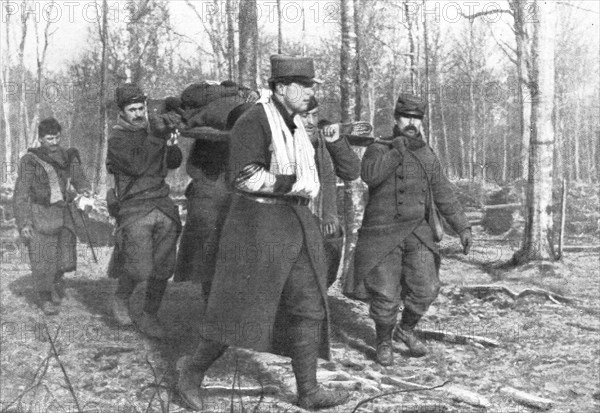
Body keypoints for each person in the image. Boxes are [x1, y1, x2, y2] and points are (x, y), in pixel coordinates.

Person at [176, 55, 350, 411]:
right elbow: (245, 175)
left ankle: (308, 390)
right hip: (257, 223)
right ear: (281, 88)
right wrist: (291, 183)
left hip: (296, 223)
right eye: (302, 87)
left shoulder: (299, 126)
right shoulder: (255, 120)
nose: (308, 93)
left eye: (311, 86)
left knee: (309, 305)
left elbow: (324, 173)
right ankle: (190, 374)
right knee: (236, 310)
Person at [354, 93, 472, 366]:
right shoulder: (379, 148)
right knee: (385, 294)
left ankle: (404, 330)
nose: (411, 123)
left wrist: (462, 226)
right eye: (406, 117)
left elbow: (443, 192)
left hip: (418, 233)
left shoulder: (427, 154)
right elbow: (370, 176)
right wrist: (397, 150)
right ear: (396, 119)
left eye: (416, 119)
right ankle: (383, 340)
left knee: (427, 288)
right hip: (382, 234)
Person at [106, 83, 183, 338]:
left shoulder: (152, 131)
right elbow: (138, 165)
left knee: (164, 267)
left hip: (161, 202)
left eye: (141, 108)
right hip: (134, 205)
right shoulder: (117, 138)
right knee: (140, 269)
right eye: (132, 109)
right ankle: (121, 297)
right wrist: (157, 136)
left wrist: (171, 142)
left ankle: (150, 314)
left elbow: (173, 163)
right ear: (122, 112)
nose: (138, 114)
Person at [174, 80, 256, 300]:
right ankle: (211, 302)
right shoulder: (218, 109)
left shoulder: (226, 109)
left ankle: (221, 302)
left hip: (232, 184)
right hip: (212, 183)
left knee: (227, 248)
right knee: (210, 248)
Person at [13, 117, 92, 315]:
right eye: (50, 139)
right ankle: (45, 297)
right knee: (43, 259)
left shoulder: (68, 156)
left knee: (64, 255)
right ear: (40, 139)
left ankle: (55, 282)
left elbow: (79, 178)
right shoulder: (30, 161)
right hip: (40, 214)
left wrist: (84, 189)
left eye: (57, 137)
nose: (55, 142)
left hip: (63, 213)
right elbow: (21, 195)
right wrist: (24, 223)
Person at [299, 96, 360, 287]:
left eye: (314, 115)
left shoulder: (324, 141)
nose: (310, 121)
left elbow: (351, 171)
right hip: (294, 226)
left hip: (326, 226)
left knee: (322, 281)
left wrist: (336, 142)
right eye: (304, 116)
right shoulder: (283, 140)